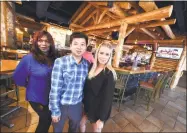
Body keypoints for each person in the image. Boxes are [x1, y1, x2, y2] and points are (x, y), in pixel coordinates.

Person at [13, 30, 56, 133]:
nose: (44, 44)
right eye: (40, 41)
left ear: (51, 43)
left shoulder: (53, 58)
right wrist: (28, 84)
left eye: (47, 41)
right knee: (46, 120)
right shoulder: (28, 59)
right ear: (36, 42)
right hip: (36, 97)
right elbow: (17, 77)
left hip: (50, 96)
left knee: (45, 119)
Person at [49, 32, 90, 132]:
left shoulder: (87, 64)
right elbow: (55, 89)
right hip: (62, 104)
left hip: (77, 105)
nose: (79, 47)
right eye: (75, 44)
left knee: (74, 130)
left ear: (86, 47)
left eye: (82, 44)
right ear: (70, 46)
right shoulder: (60, 62)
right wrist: (55, 110)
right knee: (57, 130)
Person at [80, 42, 117, 132]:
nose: (103, 56)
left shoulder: (109, 73)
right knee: (81, 123)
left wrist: (102, 119)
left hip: (97, 108)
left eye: (107, 54)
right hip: (87, 105)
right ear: (97, 53)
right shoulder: (92, 66)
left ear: (110, 56)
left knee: (96, 130)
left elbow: (108, 98)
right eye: (101, 53)